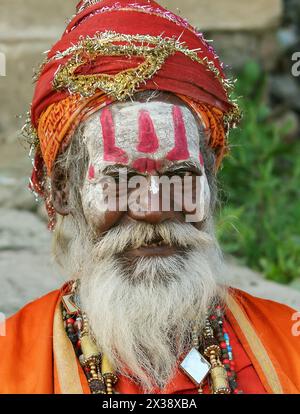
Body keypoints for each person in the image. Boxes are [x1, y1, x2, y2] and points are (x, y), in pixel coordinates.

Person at [0, 0, 299, 394]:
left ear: (210, 181)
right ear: (61, 192)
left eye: (180, 175)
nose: (155, 207)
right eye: (121, 179)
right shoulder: (10, 364)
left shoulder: (289, 344)